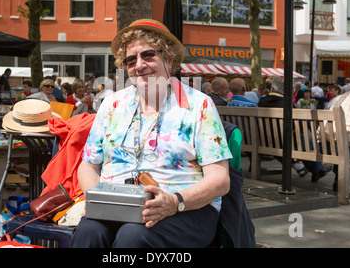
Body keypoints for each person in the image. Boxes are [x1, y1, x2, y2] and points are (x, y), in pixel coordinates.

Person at [70, 18, 231, 248]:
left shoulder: (199, 105)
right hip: (118, 206)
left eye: (148, 55)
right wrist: (96, 197)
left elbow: (220, 180)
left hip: (184, 208)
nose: (139, 65)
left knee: (133, 236)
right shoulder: (111, 105)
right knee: (89, 232)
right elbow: (88, 165)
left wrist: (174, 202)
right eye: (130, 60)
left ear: (169, 58)